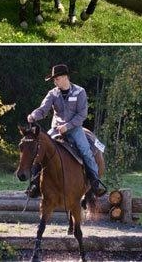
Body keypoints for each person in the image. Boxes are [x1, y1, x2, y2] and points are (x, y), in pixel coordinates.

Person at [26, 64, 107, 199]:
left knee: (85, 151)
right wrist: (33, 115)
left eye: (56, 79)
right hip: (56, 129)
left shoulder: (80, 92)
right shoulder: (53, 93)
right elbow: (43, 109)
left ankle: (95, 183)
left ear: (64, 77)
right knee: (40, 148)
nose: (54, 82)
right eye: (54, 80)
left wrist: (68, 126)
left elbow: (82, 115)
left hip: (75, 129)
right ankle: (34, 183)